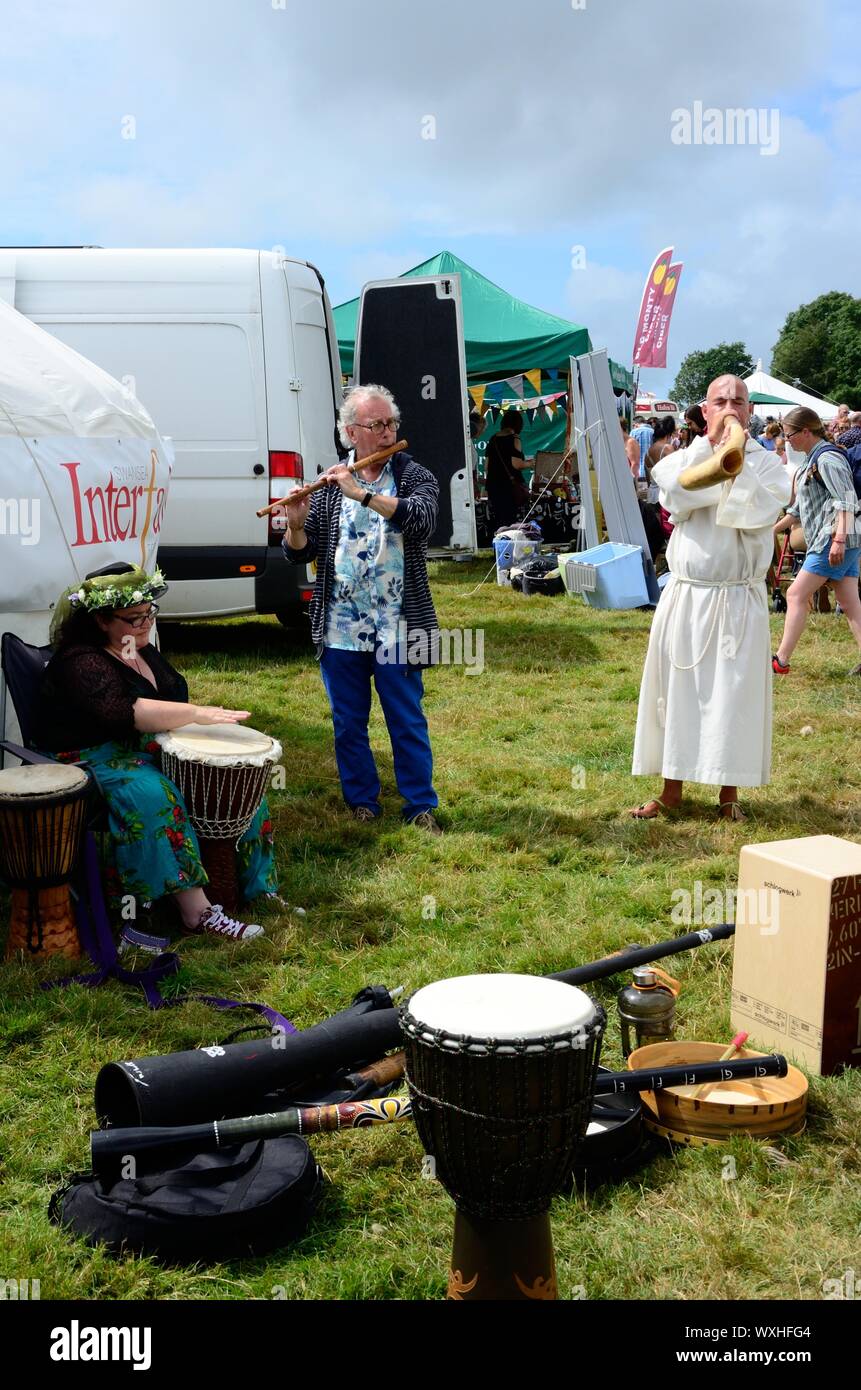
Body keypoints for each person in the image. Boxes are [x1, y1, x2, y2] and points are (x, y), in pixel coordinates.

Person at [33, 564, 276, 941]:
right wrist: (197, 714)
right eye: (133, 618)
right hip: (87, 757)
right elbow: (123, 712)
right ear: (100, 620)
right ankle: (197, 913)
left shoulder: (139, 648)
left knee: (235, 778)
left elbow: (169, 698)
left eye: (150, 613)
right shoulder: (81, 661)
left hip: (142, 745)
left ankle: (258, 888)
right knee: (153, 794)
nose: (145, 623)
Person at [630, 375, 792, 821]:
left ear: (750, 409)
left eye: (738, 401)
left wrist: (732, 461)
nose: (729, 408)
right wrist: (712, 453)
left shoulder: (769, 466)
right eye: (719, 401)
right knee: (676, 690)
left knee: (733, 695)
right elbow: (677, 497)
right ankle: (671, 790)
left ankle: (728, 794)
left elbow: (757, 511)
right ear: (704, 411)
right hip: (688, 593)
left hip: (738, 597)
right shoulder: (684, 457)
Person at [281, 384, 442, 833]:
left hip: (398, 624)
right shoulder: (332, 484)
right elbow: (300, 552)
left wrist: (362, 494)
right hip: (340, 627)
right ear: (352, 433)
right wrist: (295, 524)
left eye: (392, 423)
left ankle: (419, 806)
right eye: (378, 425)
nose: (389, 432)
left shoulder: (413, 475)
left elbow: (423, 520)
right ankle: (362, 802)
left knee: (406, 719)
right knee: (348, 723)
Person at [771, 406, 861, 676]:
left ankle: (781, 661)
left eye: (790, 435)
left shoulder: (827, 459)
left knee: (796, 594)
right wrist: (770, 531)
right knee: (849, 602)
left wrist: (839, 540)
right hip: (844, 538)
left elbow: (846, 500)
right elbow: (798, 510)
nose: (788, 440)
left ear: (806, 431)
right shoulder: (812, 460)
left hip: (832, 539)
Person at [484, 409, 531, 528]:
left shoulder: (493, 439)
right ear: (518, 424)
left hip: (493, 486)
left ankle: (500, 542)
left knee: (499, 520)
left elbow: (486, 466)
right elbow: (517, 464)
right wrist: (531, 463)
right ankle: (511, 543)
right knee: (511, 521)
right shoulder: (515, 438)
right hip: (509, 488)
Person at [631, 415, 654, 481]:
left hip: (637, 471)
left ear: (636, 423)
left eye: (633, 425)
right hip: (650, 470)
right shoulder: (653, 431)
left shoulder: (634, 432)